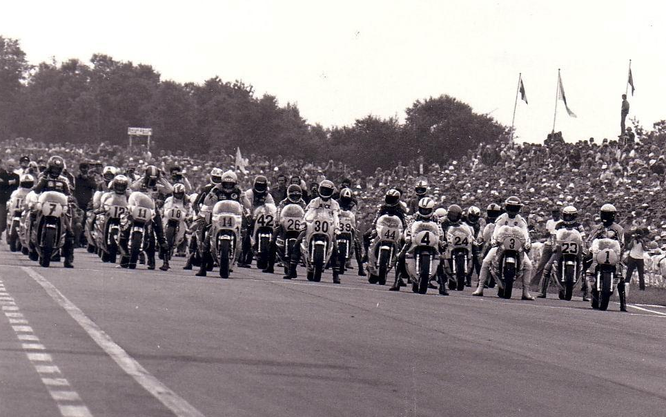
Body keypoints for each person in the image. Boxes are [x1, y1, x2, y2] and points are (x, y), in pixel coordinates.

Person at [472, 196, 535, 300]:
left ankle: (525, 292)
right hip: (501, 245)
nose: (512, 211)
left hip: (517, 247)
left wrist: (527, 243)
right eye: (510, 207)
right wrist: (494, 240)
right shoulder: (501, 218)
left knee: (528, 265)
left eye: (515, 208)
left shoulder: (521, 220)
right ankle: (480, 287)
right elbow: (496, 230)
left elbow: (525, 233)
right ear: (506, 207)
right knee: (486, 261)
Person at [283, 180, 341, 283]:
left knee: (335, 247)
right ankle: (292, 269)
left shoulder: (334, 204)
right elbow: (309, 212)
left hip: (328, 228)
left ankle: (335, 274)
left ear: (331, 191)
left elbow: (336, 216)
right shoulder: (315, 201)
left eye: (327, 190)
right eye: (323, 189)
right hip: (313, 225)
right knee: (298, 241)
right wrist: (304, 222)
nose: (325, 192)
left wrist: (337, 227)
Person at [194, 170, 250, 277]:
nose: (228, 186)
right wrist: (212, 193)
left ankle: (244, 255)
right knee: (207, 237)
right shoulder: (217, 189)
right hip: (219, 218)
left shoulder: (238, 191)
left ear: (234, 183)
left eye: (231, 184)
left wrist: (243, 196)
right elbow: (207, 202)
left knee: (245, 231)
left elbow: (247, 204)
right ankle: (202, 267)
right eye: (226, 183)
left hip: (234, 218)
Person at [389, 197, 444, 292]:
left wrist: (441, 240)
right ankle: (397, 281)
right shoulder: (415, 216)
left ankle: (442, 285)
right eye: (423, 209)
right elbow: (410, 227)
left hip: (432, 240)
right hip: (416, 239)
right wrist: (408, 237)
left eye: (427, 210)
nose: (425, 211)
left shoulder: (435, 217)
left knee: (442, 258)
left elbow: (439, 229)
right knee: (401, 256)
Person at [32, 156, 75, 268]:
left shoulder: (64, 179)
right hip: (44, 206)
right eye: (53, 169)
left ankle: (68, 259)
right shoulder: (43, 176)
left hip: (59, 209)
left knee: (69, 232)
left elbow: (69, 194)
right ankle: (31, 247)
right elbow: (37, 190)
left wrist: (70, 199)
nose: (55, 171)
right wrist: (44, 179)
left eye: (58, 169)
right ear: (49, 168)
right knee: (32, 218)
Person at [537, 206, 586, 298]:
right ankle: (542, 291)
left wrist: (584, 248)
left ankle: (586, 294)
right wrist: (554, 246)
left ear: (574, 216)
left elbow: (583, 237)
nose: (568, 218)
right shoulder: (559, 225)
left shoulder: (579, 226)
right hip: (560, 249)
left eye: (570, 216)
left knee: (584, 269)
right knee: (547, 267)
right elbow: (554, 237)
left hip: (576, 249)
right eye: (566, 215)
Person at [585, 204, 626, 311]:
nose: (606, 216)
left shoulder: (618, 229)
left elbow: (622, 243)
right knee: (586, 261)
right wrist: (590, 249)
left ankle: (623, 303)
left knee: (621, 275)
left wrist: (619, 255)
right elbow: (589, 240)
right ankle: (585, 289)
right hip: (598, 254)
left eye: (609, 214)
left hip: (613, 255)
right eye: (604, 214)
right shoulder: (597, 228)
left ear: (613, 215)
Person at [263, 184, 306, 274]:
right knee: (272, 240)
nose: (295, 198)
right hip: (285, 224)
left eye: (297, 196)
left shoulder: (303, 203)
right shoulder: (283, 202)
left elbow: (306, 214)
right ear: (288, 195)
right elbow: (278, 212)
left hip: (298, 226)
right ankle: (270, 266)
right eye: (293, 196)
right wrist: (277, 221)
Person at [239, 175, 276, 267]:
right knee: (246, 233)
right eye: (258, 185)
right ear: (254, 185)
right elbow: (245, 206)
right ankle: (242, 258)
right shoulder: (249, 193)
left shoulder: (268, 195)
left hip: (262, 217)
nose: (260, 188)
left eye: (262, 186)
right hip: (249, 215)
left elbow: (272, 207)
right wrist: (248, 215)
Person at [337, 187, 366, 276]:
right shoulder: (336, 202)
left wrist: (356, 218)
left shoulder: (353, 204)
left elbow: (354, 214)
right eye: (344, 199)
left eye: (347, 199)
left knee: (357, 243)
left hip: (349, 224)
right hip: (337, 223)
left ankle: (361, 268)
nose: (346, 201)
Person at [532, 206, 561, 286]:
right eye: (553, 212)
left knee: (555, 265)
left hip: (557, 245)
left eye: (556, 212)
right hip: (548, 244)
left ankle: (554, 284)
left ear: (559, 213)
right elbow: (547, 233)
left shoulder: (562, 223)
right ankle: (535, 283)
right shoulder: (549, 222)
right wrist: (545, 234)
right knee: (542, 264)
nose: (554, 214)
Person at [625, 226, 648, 291]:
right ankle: (626, 284)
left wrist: (642, 242)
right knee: (629, 272)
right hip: (632, 256)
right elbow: (629, 247)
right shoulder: (633, 239)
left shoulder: (643, 240)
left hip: (640, 257)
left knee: (641, 273)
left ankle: (642, 287)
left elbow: (645, 249)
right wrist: (633, 240)